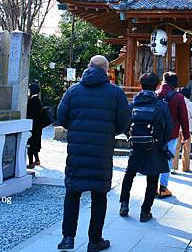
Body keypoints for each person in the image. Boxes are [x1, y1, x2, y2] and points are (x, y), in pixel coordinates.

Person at [56, 55, 131, 252]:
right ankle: (94, 240)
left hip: (77, 150)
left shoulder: (73, 91)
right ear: (106, 70)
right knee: (99, 194)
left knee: (73, 192)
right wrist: (109, 130)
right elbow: (124, 121)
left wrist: (77, 128)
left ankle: (67, 238)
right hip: (102, 150)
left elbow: (61, 117)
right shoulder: (115, 93)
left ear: (89, 67)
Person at [119, 73, 172, 222]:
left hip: (136, 145)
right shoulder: (161, 105)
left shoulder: (133, 104)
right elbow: (169, 127)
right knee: (152, 178)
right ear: (157, 86)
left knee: (129, 174)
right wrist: (162, 141)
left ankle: (124, 204)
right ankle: (145, 211)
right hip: (154, 145)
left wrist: (131, 137)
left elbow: (124, 124)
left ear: (140, 86)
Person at [155, 72, 189, 198]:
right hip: (171, 133)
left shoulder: (156, 94)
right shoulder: (178, 97)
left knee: (155, 157)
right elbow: (184, 118)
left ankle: (153, 186)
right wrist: (186, 135)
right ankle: (163, 187)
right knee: (167, 158)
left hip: (155, 133)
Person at [172, 87, 192, 173]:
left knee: (176, 147)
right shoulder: (190, 104)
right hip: (187, 128)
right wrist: (191, 123)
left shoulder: (175, 102)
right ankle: (185, 167)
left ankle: (173, 167)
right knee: (186, 148)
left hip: (176, 127)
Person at [26, 83, 44, 169]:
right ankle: (36, 160)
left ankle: (30, 163)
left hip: (33, 126)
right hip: (38, 126)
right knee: (35, 143)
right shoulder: (37, 100)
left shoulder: (33, 101)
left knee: (31, 144)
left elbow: (30, 114)